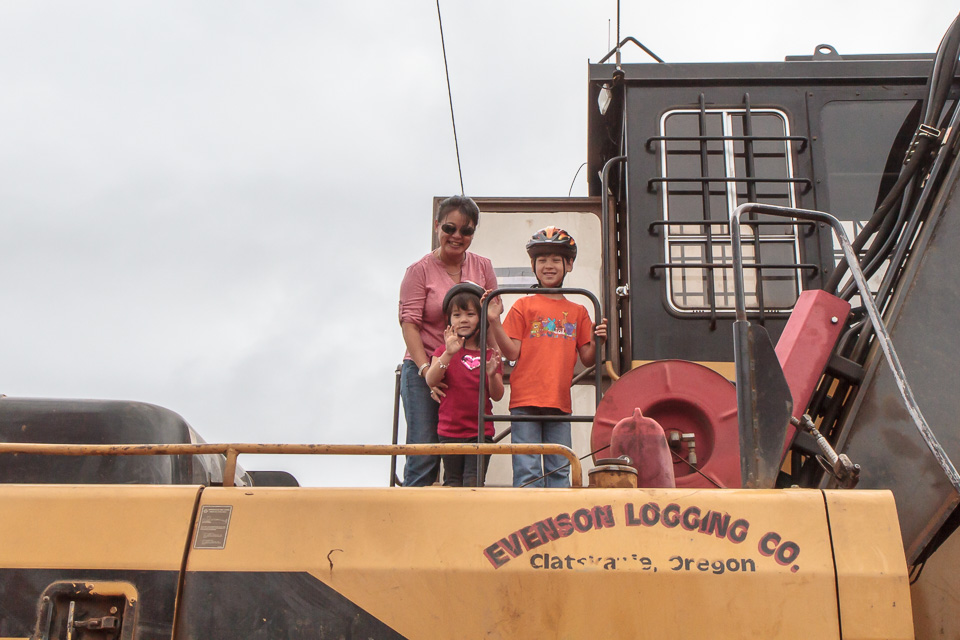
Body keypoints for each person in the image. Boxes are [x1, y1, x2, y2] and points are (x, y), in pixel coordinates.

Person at [487, 227, 606, 488]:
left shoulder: (579, 309)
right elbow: (511, 352)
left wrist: (598, 339)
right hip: (525, 400)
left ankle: (557, 514)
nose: (548, 266)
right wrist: (494, 321)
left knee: (559, 470)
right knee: (527, 470)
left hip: (559, 402)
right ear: (533, 265)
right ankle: (528, 512)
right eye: (541, 260)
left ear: (569, 264)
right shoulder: (523, 306)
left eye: (555, 259)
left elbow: (588, 359)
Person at [398, 196, 498, 486]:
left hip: (467, 367)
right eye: (449, 228)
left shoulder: (483, 267)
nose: (457, 236)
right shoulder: (418, 270)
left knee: (469, 448)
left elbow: (491, 317)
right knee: (424, 449)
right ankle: (415, 508)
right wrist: (427, 372)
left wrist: (494, 361)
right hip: (425, 365)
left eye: (466, 231)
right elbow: (409, 324)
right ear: (437, 226)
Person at [425, 282, 503, 487]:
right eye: (457, 315)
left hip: (480, 432)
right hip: (449, 431)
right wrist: (448, 353)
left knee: (473, 482)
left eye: (470, 314)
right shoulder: (443, 351)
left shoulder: (490, 354)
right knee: (452, 482)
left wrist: (492, 374)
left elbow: (497, 395)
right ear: (449, 320)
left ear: (481, 318)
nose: (463, 320)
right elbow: (431, 379)